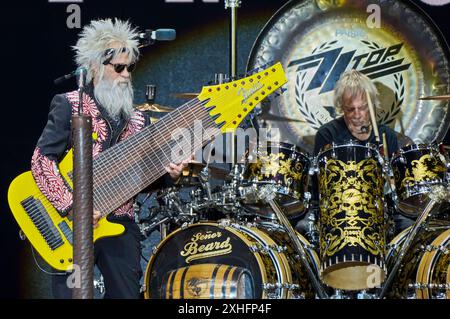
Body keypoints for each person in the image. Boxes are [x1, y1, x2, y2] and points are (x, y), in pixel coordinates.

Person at [31, 18, 187, 299]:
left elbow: (140, 177)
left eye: (130, 67)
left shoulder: (140, 120)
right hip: (72, 223)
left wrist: (168, 176)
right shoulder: (70, 104)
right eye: (118, 67)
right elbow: (41, 161)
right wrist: (72, 206)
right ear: (94, 68)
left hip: (119, 223)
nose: (126, 74)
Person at [298, 70, 413, 239]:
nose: (357, 115)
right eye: (350, 109)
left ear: (372, 104)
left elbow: (394, 185)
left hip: (379, 208)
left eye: (363, 108)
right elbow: (318, 183)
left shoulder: (386, 136)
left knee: (409, 230)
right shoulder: (327, 134)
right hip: (336, 207)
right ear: (341, 107)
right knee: (302, 229)